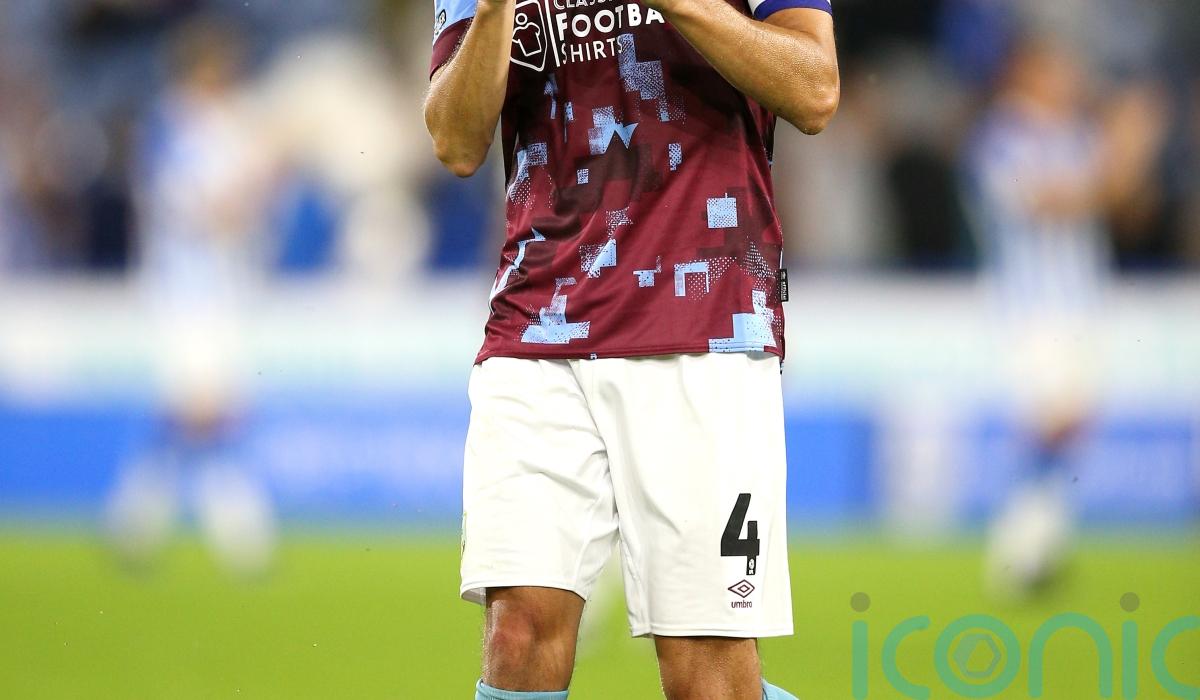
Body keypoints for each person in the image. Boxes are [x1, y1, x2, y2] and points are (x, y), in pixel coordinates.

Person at [424, 1, 839, 698]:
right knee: (518, 633)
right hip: (539, 321)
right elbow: (455, 142)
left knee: (704, 673)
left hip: (705, 320)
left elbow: (815, 89)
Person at [964, 35, 1165, 598]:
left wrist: (1133, 157)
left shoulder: (1076, 134)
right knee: (1050, 422)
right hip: (1033, 305)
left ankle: (1038, 544)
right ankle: (1015, 547)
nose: (1068, 79)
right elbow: (1045, 201)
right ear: (1025, 71)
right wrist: (1122, 153)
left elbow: (1125, 209)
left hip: (1082, 300)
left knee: (1072, 425)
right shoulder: (1000, 137)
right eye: (1056, 69)